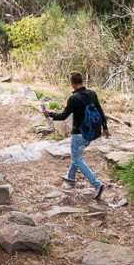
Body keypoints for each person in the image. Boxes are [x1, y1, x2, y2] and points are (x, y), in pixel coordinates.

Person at [41, 71, 110, 199]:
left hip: (79, 134)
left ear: (72, 83)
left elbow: (63, 116)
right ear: (82, 81)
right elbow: (100, 111)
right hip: (92, 133)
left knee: (77, 159)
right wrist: (105, 127)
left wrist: (49, 114)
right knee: (76, 155)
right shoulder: (92, 94)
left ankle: (97, 184)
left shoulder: (73, 99)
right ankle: (70, 176)